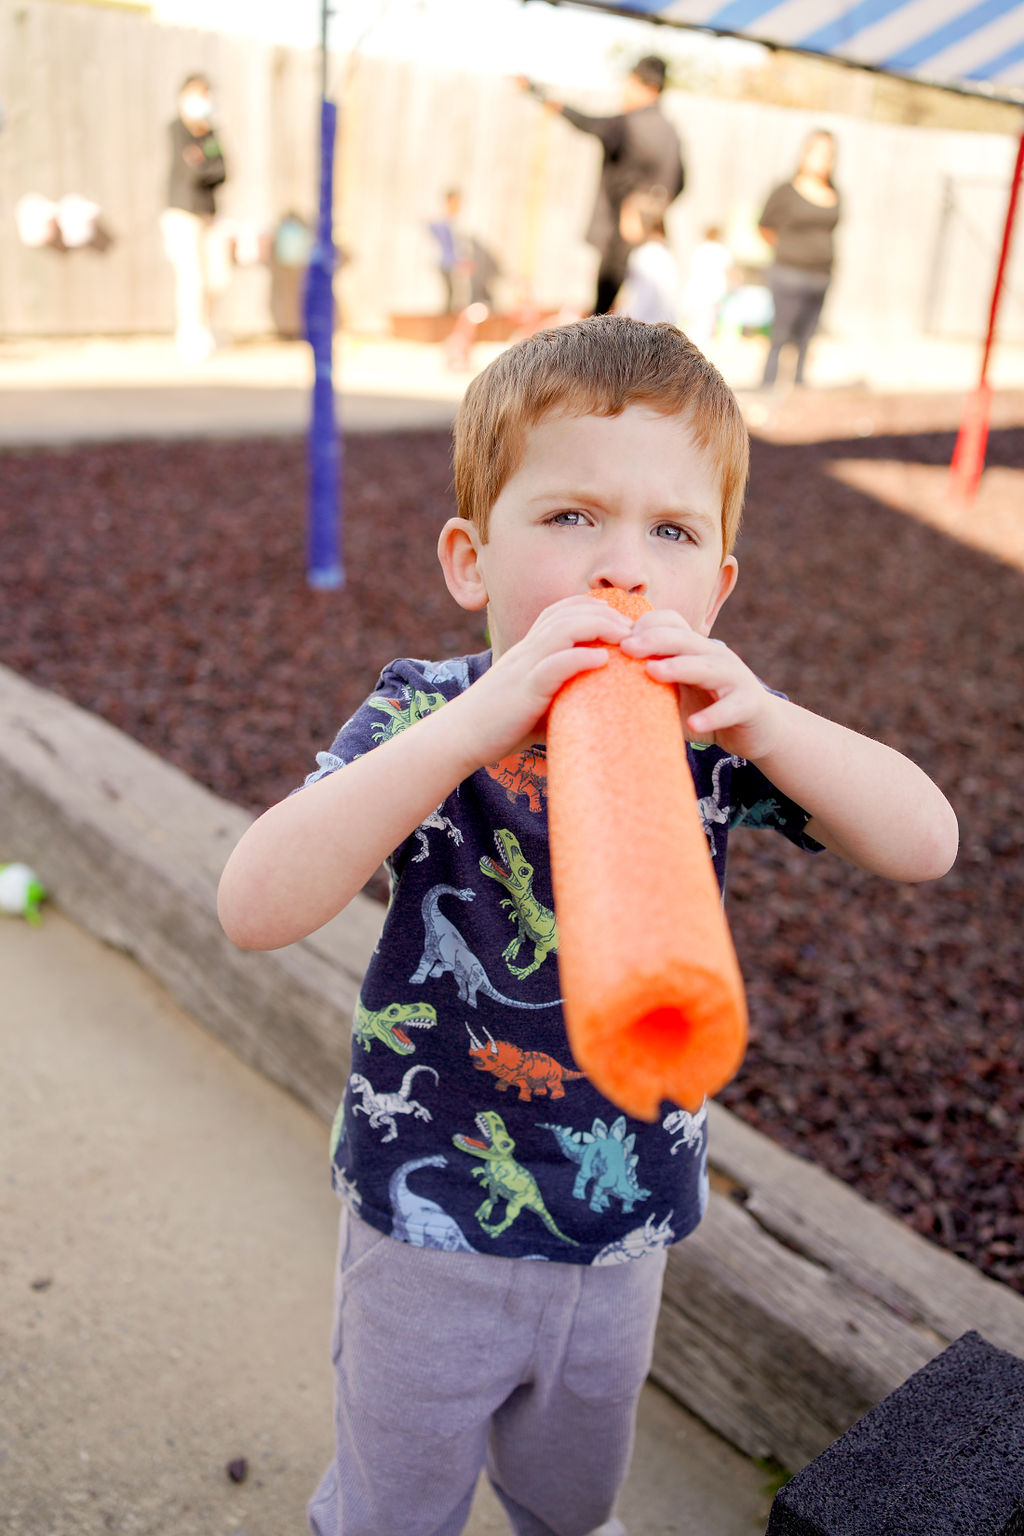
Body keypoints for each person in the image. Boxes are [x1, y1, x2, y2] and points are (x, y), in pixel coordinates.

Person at [217, 315, 958, 1536]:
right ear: (473, 560)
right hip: (427, 1223)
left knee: (573, 1500)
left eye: (671, 532)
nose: (623, 568)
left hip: (622, 1236)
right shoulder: (425, 714)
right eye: (572, 518)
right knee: (395, 1506)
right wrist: (472, 725)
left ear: (713, 589)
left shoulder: (710, 736)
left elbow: (923, 843)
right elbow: (256, 904)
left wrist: (765, 718)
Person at [520, 57, 685, 315]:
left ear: (648, 88)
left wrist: (538, 93)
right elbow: (680, 184)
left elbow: (585, 122)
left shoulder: (627, 124)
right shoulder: (672, 133)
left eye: (630, 85)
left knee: (604, 319)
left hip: (619, 237)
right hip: (651, 235)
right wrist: (651, 212)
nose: (624, 92)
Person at [757, 129, 840, 389]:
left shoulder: (835, 192)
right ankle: (767, 386)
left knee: (806, 339)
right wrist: (787, 250)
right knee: (780, 336)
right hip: (789, 273)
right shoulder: (786, 190)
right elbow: (764, 225)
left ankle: (799, 388)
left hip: (821, 275)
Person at [160, 72, 228, 361]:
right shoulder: (176, 129)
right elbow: (191, 171)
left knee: (217, 278)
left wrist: (204, 161)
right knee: (191, 278)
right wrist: (204, 164)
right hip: (181, 213)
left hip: (209, 215)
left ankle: (205, 328)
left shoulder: (211, 133)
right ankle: (189, 336)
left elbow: (222, 171)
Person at [613, 189, 679, 324]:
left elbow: (639, 302)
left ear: (644, 221)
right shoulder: (662, 252)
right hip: (660, 329)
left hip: (643, 332)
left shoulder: (645, 256)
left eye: (628, 219)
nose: (623, 225)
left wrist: (619, 325)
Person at [682, 224, 735, 351]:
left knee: (693, 325)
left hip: (696, 290)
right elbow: (729, 271)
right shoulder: (722, 250)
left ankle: (687, 350)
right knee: (706, 326)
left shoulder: (699, 249)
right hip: (713, 292)